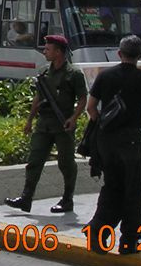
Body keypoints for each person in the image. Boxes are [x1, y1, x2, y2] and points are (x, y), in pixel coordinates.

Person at [85, 34, 141, 255]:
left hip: (106, 140)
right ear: (140, 56)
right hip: (131, 140)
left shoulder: (105, 76)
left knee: (112, 186)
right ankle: (130, 241)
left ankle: (98, 230)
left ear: (119, 54)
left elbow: (91, 108)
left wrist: (102, 123)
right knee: (135, 191)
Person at [5, 34, 87, 214]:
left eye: (48, 49)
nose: (44, 52)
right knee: (35, 160)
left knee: (66, 163)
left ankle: (67, 199)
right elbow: (38, 98)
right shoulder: (44, 72)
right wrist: (29, 120)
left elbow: (82, 99)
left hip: (62, 124)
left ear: (58, 52)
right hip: (44, 124)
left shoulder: (74, 74)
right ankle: (26, 198)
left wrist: (73, 118)